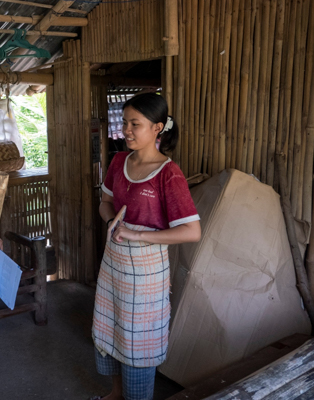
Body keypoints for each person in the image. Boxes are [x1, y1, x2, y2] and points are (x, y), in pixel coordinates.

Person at [92, 93, 201, 400]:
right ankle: (116, 393)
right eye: (125, 122)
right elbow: (106, 202)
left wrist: (137, 236)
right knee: (111, 326)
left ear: (157, 128)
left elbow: (191, 231)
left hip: (146, 270)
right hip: (114, 263)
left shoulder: (169, 174)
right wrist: (112, 221)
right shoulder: (118, 161)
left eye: (134, 124)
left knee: (138, 339)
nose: (126, 129)